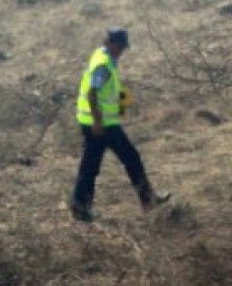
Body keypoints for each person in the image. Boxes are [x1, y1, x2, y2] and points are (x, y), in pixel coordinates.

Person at [70, 28, 170, 221]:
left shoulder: (102, 55)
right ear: (113, 44)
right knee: (130, 158)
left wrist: (121, 107)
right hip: (101, 125)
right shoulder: (104, 64)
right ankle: (148, 201)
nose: (122, 52)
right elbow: (92, 94)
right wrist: (98, 122)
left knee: (91, 166)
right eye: (121, 47)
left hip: (98, 122)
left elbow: (109, 91)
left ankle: (80, 207)